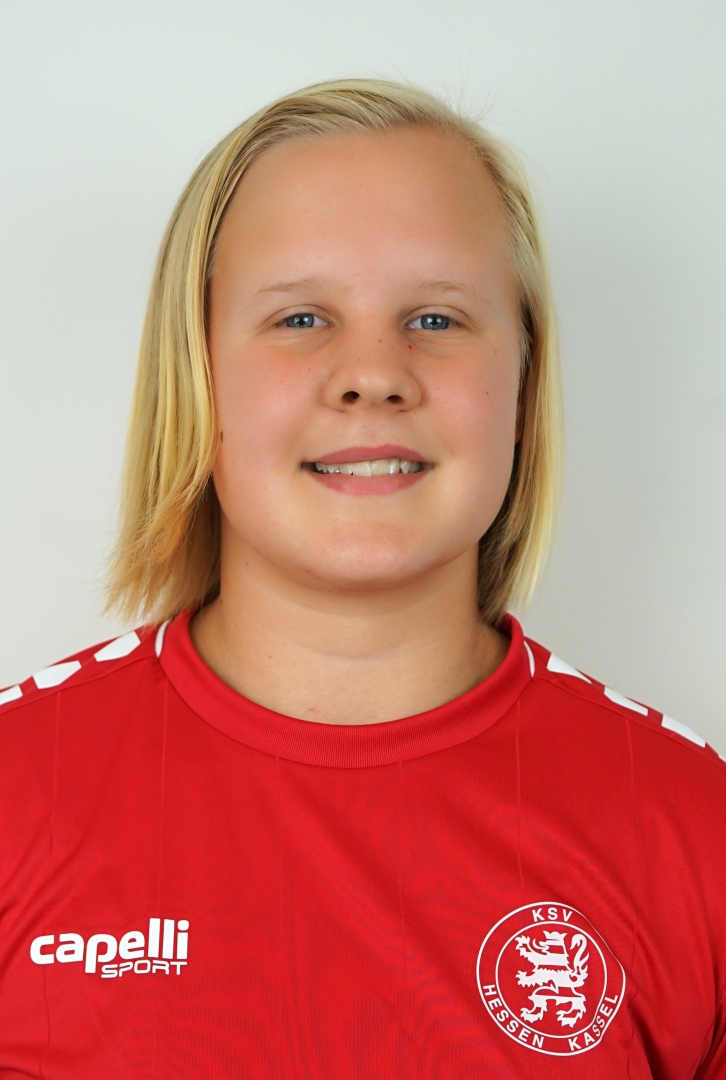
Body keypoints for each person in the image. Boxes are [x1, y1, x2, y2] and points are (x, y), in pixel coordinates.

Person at [0, 78, 723, 1079]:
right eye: (301, 317)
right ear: (195, 375)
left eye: (437, 318)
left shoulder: (696, 832)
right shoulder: (16, 793)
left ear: (523, 384)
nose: (374, 373)